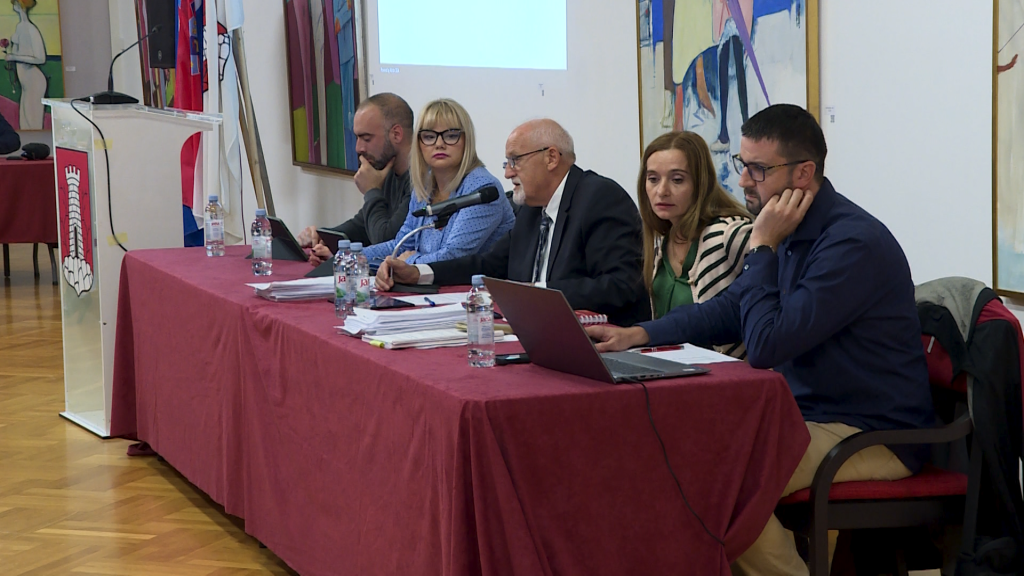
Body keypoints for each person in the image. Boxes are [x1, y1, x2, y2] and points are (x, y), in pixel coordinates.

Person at [587, 104, 935, 575]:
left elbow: (768, 345)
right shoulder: (792, 224)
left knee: (712, 481)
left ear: (803, 173)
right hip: (804, 414)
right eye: (742, 164)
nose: (743, 181)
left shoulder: (851, 243)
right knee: (681, 456)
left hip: (869, 430)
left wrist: (762, 247)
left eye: (758, 169)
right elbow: (732, 308)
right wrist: (640, 333)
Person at [376, 119, 650, 327]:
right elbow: (488, 264)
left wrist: (538, 293)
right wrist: (418, 273)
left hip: (600, 343)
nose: (507, 173)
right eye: (506, 162)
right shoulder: (531, 208)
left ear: (551, 158)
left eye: (515, 161)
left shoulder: (599, 198)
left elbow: (621, 285)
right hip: (537, 332)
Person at [360, 98, 514, 265]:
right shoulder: (425, 186)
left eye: (451, 136)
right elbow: (402, 245)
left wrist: (407, 262)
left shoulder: (482, 189)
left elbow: (453, 257)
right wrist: (352, 257)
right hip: (431, 281)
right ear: (419, 144)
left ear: (466, 140)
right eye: (429, 137)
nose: (439, 144)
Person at [639, 131, 751, 356]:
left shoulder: (729, 232)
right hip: (672, 368)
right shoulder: (664, 240)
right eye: (653, 179)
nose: (662, 191)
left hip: (727, 372)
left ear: (701, 183)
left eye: (677, 180)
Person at [301, 93, 414, 264]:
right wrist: (323, 236)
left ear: (396, 134)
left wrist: (372, 191)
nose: (358, 148)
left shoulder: (422, 181)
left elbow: (386, 242)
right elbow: (363, 226)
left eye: (366, 138)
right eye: (357, 138)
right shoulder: (386, 170)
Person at [7, 0, 47, 131]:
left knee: (33, 123)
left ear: (20, 5)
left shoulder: (31, 29)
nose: (13, 5)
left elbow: (40, 58)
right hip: (25, 83)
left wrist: (14, 57)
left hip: (34, 81)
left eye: (15, 2)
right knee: (24, 123)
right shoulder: (20, 27)